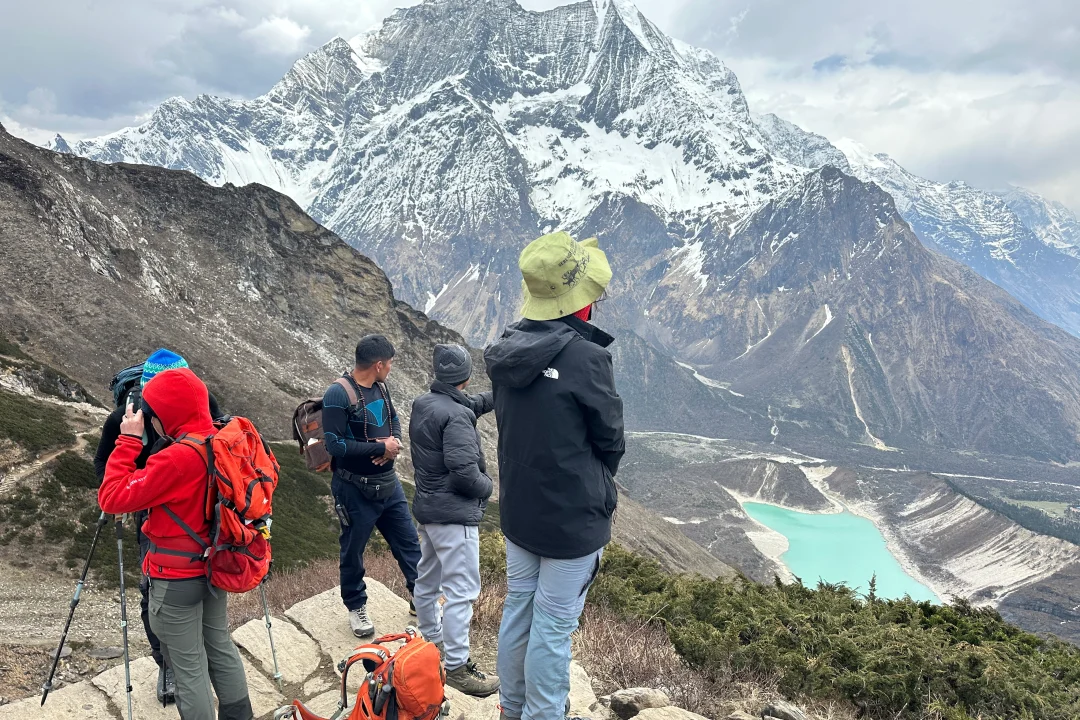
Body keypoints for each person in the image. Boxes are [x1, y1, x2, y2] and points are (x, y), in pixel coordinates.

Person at [484, 232, 625, 720]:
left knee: (519, 606)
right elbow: (610, 440)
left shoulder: (505, 348)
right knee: (554, 623)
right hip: (571, 520)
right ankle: (544, 714)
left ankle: (512, 708)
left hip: (520, 510)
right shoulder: (587, 359)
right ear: (579, 302)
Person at [98, 359, 253, 720]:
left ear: (166, 413)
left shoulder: (176, 459)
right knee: (220, 646)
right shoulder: (222, 440)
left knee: (188, 671)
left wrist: (128, 440)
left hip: (175, 580)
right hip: (215, 565)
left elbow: (111, 497)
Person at [409, 344, 500, 697]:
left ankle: (431, 644)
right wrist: (487, 488)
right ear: (465, 375)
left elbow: (467, 403)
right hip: (454, 516)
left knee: (428, 581)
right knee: (462, 592)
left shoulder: (426, 403)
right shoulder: (456, 416)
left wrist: (501, 395)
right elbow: (464, 473)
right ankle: (458, 667)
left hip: (429, 512)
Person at [324, 334, 421, 637]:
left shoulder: (380, 386)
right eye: (389, 364)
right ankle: (356, 606)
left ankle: (421, 598)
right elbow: (335, 445)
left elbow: (392, 417)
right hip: (354, 489)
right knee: (353, 550)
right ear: (378, 364)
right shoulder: (337, 395)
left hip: (388, 485)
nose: (390, 368)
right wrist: (380, 449)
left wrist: (394, 442)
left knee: (408, 543)